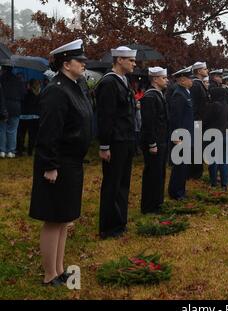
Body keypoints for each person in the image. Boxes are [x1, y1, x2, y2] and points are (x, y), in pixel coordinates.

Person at [29, 39, 93, 286]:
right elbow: (48, 133)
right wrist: (50, 165)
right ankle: (49, 274)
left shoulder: (74, 86)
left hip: (72, 163)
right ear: (66, 64)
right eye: (81, 61)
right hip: (58, 163)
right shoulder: (57, 90)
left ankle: (59, 269)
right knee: (53, 218)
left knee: (64, 219)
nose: (84, 64)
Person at [96, 46, 137, 239]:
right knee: (112, 184)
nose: (133, 63)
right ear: (119, 60)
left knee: (123, 183)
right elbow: (106, 116)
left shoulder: (124, 80)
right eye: (130, 60)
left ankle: (120, 222)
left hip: (126, 138)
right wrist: (105, 145)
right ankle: (108, 226)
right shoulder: (109, 82)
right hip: (115, 141)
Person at [140, 67, 170, 214]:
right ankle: (149, 206)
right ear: (155, 79)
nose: (166, 80)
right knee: (153, 174)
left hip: (161, 139)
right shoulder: (150, 97)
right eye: (164, 78)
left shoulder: (159, 95)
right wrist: (152, 143)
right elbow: (149, 123)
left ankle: (157, 203)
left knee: (159, 173)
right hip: (154, 142)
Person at [168, 67, 194, 200]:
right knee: (180, 166)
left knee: (184, 165)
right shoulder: (179, 94)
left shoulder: (185, 92)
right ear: (182, 80)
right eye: (190, 78)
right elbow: (175, 117)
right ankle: (176, 192)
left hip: (187, 134)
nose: (192, 81)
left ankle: (180, 190)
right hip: (181, 135)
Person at [203, 87, 228, 191]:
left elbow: (205, 120)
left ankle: (213, 182)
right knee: (225, 160)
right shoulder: (226, 106)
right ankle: (224, 184)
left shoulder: (213, 106)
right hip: (227, 135)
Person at [190, 62, 210, 180]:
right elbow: (195, 104)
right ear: (198, 71)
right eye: (204, 69)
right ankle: (195, 172)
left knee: (199, 146)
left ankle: (197, 170)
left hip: (200, 119)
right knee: (196, 147)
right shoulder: (196, 85)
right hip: (196, 120)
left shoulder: (199, 84)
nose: (207, 70)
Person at [0, 66, 25, 158]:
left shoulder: (1, 79)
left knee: (2, 129)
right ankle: (11, 151)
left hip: (3, 106)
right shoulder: (18, 80)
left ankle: (2, 150)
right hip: (16, 106)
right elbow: (23, 94)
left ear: (3, 69)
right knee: (13, 130)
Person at [17, 79, 42, 157]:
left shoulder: (25, 93)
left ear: (29, 85)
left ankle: (20, 151)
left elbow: (21, 101)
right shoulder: (40, 95)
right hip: (35, 117)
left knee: (21, 135)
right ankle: (30, 152)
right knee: (32, 136)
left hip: (23, 117)